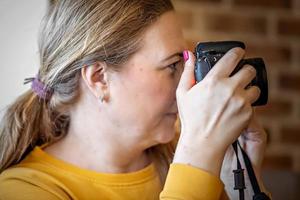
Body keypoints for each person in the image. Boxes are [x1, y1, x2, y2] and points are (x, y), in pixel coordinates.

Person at [0, 0, 271, 199]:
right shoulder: (23, 190)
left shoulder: (180, 163)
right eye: (172, 66)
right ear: (99, 78)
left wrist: (240, 185)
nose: (186, 86)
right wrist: (198, 156)